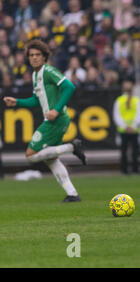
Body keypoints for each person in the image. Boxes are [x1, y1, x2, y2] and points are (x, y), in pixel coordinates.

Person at [3, 39, 86, 202]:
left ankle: (71, 147)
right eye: (31, 55)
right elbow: (36, 100)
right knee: (50, 159)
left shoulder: (48, 71)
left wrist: (56, 109)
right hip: (54, 121)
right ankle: (72, 194)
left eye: (38, 55)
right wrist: (17, 102)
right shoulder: (36, 75)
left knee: (30, 155)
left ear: (44, 56)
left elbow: (69, 86)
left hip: (57, 120)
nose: (34, 58)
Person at [113, 79, 140, 174]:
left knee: (124, 152)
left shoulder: (119, 100)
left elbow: (116, 116)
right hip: (134, 130)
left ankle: (124, 170)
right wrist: (133, 126)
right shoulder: (136, 100)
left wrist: (125, 126)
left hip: (123, 130)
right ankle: (135, 170)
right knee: (135, 152)